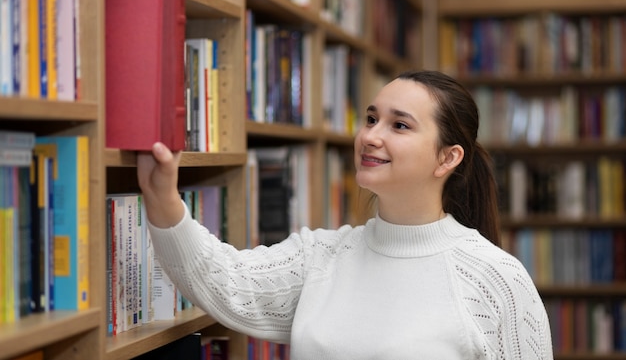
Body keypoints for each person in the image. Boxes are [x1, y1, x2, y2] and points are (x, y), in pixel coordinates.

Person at [137, 70, 554, 359]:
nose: (370, 136)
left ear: (447, 158)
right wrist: (162, 198)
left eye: (399, 126)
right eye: (371, 118)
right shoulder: (320, 256)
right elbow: (223, 281)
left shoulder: (497, 278)